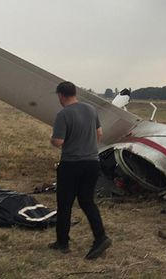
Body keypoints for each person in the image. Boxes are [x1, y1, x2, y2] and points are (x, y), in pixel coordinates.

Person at [48, 81, 111, 259]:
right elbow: (100, 134)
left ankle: (62, 243)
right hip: (92, 163)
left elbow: (58, 141)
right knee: (87, 201)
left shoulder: (63, 114)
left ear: (61, 95)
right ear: (75, 93)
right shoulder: (91, 110)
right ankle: (100, 237)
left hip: (71, 164)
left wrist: (52, 139)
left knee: (65, 204)